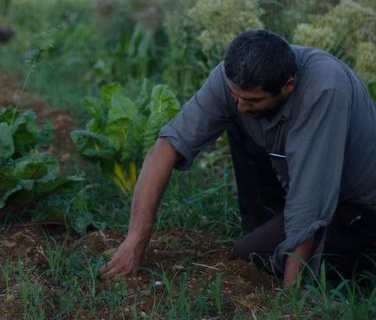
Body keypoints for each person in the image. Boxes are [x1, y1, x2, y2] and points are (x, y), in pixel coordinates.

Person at [101, 29, 376, 287]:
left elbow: (311, 200)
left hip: (355, 206)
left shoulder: (325, 90)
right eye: (236, 96)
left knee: (252, 256)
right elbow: (167, 146)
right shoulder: (235, 78)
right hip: (302, 185)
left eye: (253, 100)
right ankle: (267, 227)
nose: (242, 105)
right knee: (238, 121)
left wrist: (292, 298)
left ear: (288, 86)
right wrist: (135, 240)